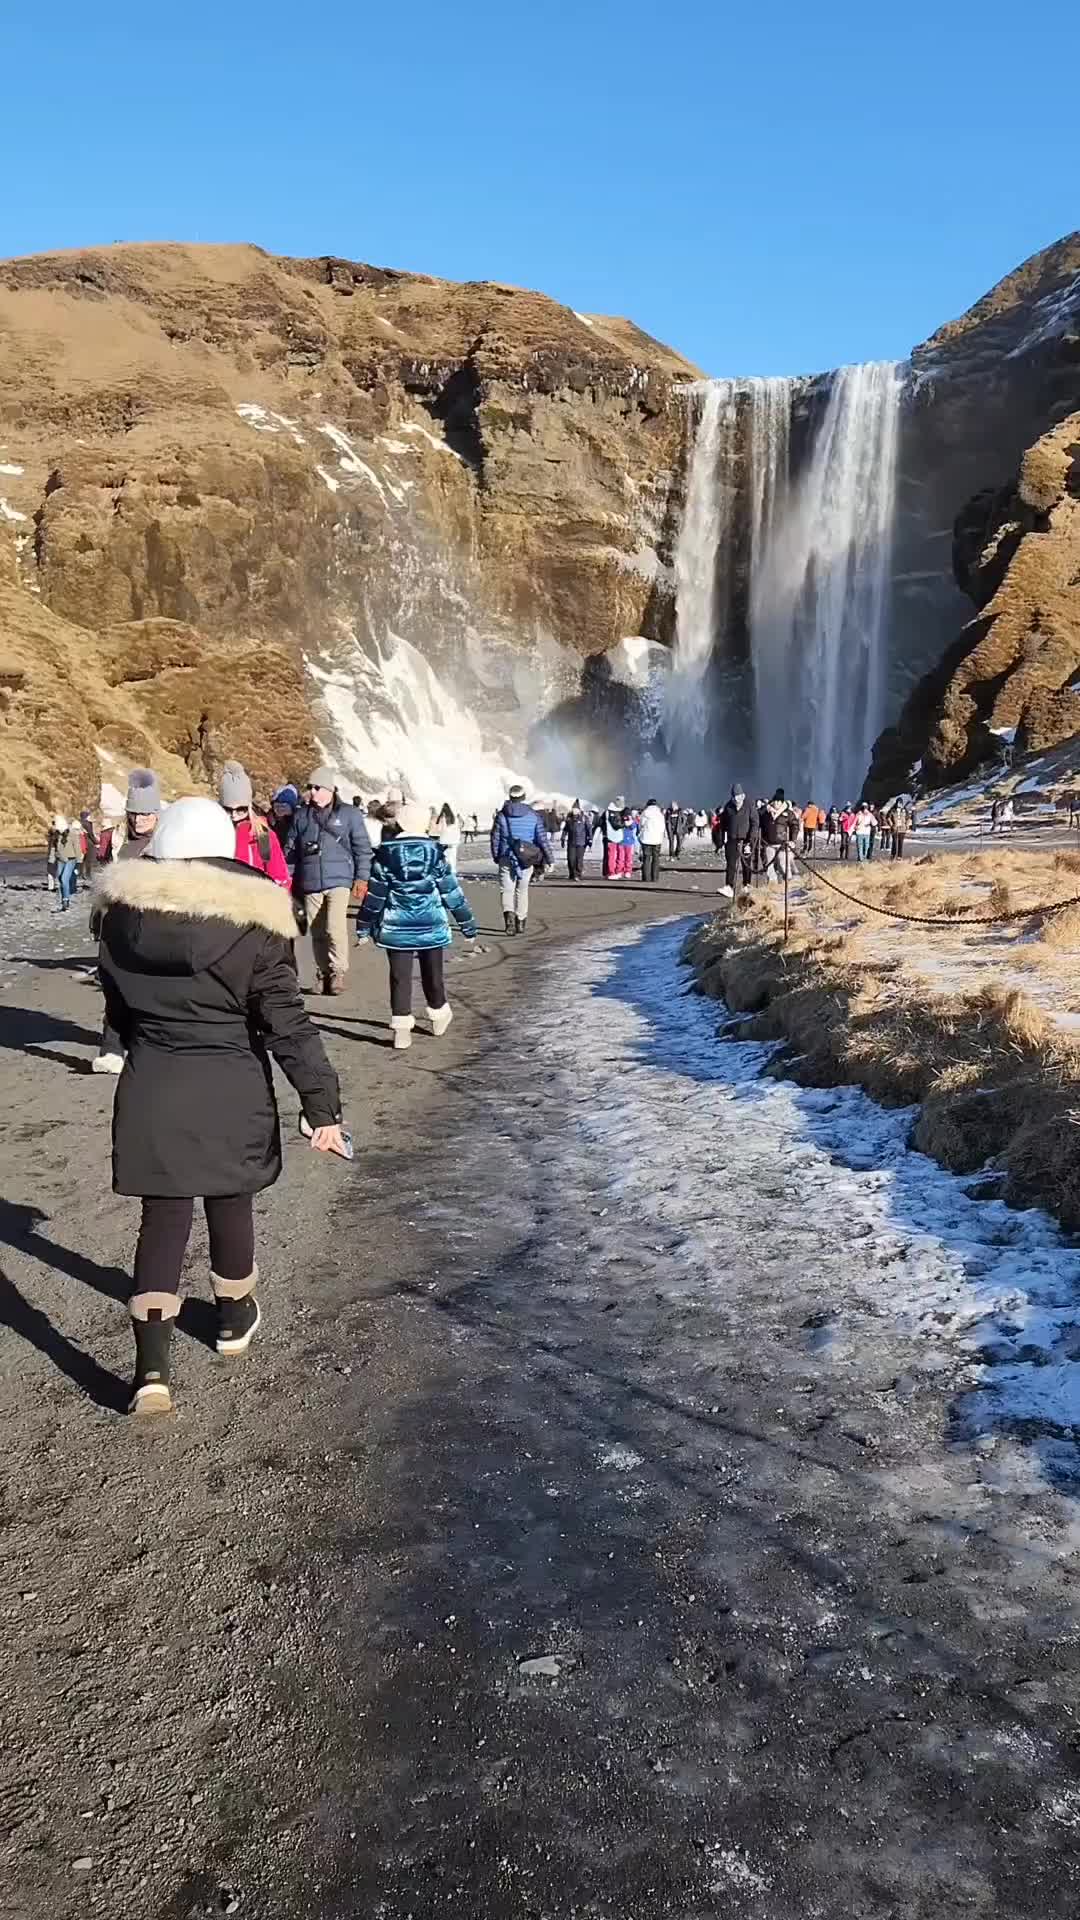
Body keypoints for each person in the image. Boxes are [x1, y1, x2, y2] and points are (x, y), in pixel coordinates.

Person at [94, 797, 344, 1415]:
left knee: (164, 1214)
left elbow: (118, 1011)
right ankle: (233, 1321)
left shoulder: (120, 919)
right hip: (231, 1080)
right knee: (231, 1199)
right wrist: (322, 1107)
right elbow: (286, 1023)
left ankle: (151, 1370)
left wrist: (126, 1044)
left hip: (154, 1080)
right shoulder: (255, 923)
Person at [358, 802, 477, 1047]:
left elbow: (375, 898)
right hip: (431, 925)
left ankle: (401, 1030)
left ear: (399, 823)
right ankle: (439, 1014)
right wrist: (467, 926)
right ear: (424, 824)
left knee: (400, 978)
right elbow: (452, 894)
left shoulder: (385, 856)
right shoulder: (435, 855)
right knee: (433, 975)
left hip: (396, 927)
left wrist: (363, 926)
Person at [92, 770, 163, 1073]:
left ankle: (150, 1043)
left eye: (146, 814)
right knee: (114, 985)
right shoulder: (115, 838)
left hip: (153, 923)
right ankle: (111, 1049)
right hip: (117, 921)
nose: (139, 821)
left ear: (156, 813)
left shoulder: (167, 840)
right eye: (134, 814)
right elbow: (100, 876)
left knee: (152, 987)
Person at [284, 768, 372, 995]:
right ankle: (324, 974)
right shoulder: (301, 816)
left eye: (317, 787)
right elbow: (290, 853)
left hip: (340, 880)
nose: (312, 792)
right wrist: (287, 881)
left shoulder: (350, 814)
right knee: (317, 931)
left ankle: (338, 972)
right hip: (311, 882)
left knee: (335, 927)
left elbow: (363, 849)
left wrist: (362, 878)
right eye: (310, 787)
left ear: (330, 789)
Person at [491, 783, 553, 933]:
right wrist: (549, 859)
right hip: (527, 858)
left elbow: (495, 838)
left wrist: (496, 856)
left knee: (506, 890)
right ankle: (521, 922)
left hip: (506, 856)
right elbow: (542, 839)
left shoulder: (501, 815)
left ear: (510, 797)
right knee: (522, 890)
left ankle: (509, 923)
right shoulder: (533, 815)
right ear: (524, 797)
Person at [220, 762, 292, 888]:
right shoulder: (216, 829)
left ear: (249, 807)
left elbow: (278, 873)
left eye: (240, 809)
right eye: (228, 809)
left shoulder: (260, 832)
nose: (234, 815)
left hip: (254, 896)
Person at [718, 785, 753, 897]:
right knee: (731, 864)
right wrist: (722, 838)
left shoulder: (749, 805)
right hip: (732, 839)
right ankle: (729, 887)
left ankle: (747, 885)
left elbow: (755, 823)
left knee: (746, 864)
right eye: (734, 797)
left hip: (746, 839)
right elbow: (723, 823)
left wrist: (751, 840)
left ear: (743, 795)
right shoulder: (728, 806)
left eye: (738, 796)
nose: (736, 799)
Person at [55, 816, 84, 910]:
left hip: (71, 859)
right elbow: (53, 847)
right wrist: (51, 860)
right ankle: (64, 897)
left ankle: (65, 900)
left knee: (64, 879)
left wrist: (79, 862)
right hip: (60, 859)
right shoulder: (56, 834)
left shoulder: (73, 834)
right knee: (60, 879)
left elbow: (77, 848)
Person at [562, 800, 594, 882]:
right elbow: (566, 829)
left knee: (579, 859)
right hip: (571, 842)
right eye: (573, 809)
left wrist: (590, 839)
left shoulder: (584, 818)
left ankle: (578, 874)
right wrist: (563, 838)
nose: (574, 811)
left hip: (581, 842)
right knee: (571, 859)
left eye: (576, 809)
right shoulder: (569, 818)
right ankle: (572, 874)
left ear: (579, 810)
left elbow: (589, 829)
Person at [639, 797, 665, 883]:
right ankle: (655, 877)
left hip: (646, 838)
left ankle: (646, 878)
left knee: (646, 858)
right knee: (656, 858)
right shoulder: (660, 814)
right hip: (657, 839)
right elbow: (662, 827)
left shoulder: (645, 813)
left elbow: (641, 824)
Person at [270, 784, 300, 851]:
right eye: (277, 807)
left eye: (284, 807)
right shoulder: (269, 821)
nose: (281, 810)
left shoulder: (296, 824)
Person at [433, 802, 462, 873]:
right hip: (454, 841)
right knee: (452, 857)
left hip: (444, 840)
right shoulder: (454, 818)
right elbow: (458, 828)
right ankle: (452, 871)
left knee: (445, 857)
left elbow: (439, 829)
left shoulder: (442, 818)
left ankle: (446, 871)